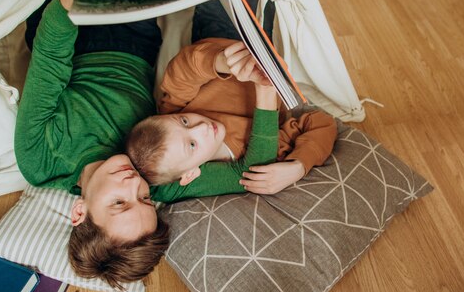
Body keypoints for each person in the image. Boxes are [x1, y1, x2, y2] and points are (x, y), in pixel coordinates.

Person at [14, 0, 275, 288]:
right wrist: (265, 87)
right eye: (145, 199)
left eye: (119, 202)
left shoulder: (39, 160)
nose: (133, 185)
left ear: (79, 212)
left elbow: (50, 60)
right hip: (134, 38)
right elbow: (249, 173)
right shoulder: (153, 175)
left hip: (69, 32)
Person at [127, 37, 338, 195]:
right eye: (192, 144)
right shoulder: (255, 153)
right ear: (191, 174)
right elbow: (322, 123)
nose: (201, 127)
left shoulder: (172, 114)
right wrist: (299, 165)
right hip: (256, 44)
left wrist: (223, 62)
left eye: (185, 122)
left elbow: (183, 69)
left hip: (224, 48)